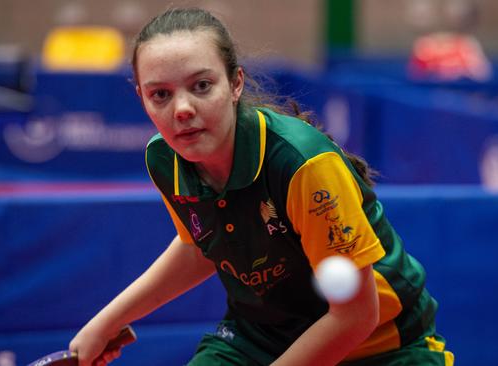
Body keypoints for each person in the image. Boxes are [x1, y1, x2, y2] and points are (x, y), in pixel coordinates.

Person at [69, 8, 454, 366]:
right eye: (161, 95)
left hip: (382, 346)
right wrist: (106, 322)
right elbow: (199, 246)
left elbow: (357, 315)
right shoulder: (164, 159)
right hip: (263, 336)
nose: (182, 109)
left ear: (235, 83)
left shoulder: (302, 165)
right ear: (142, 98)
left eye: (201, 85)